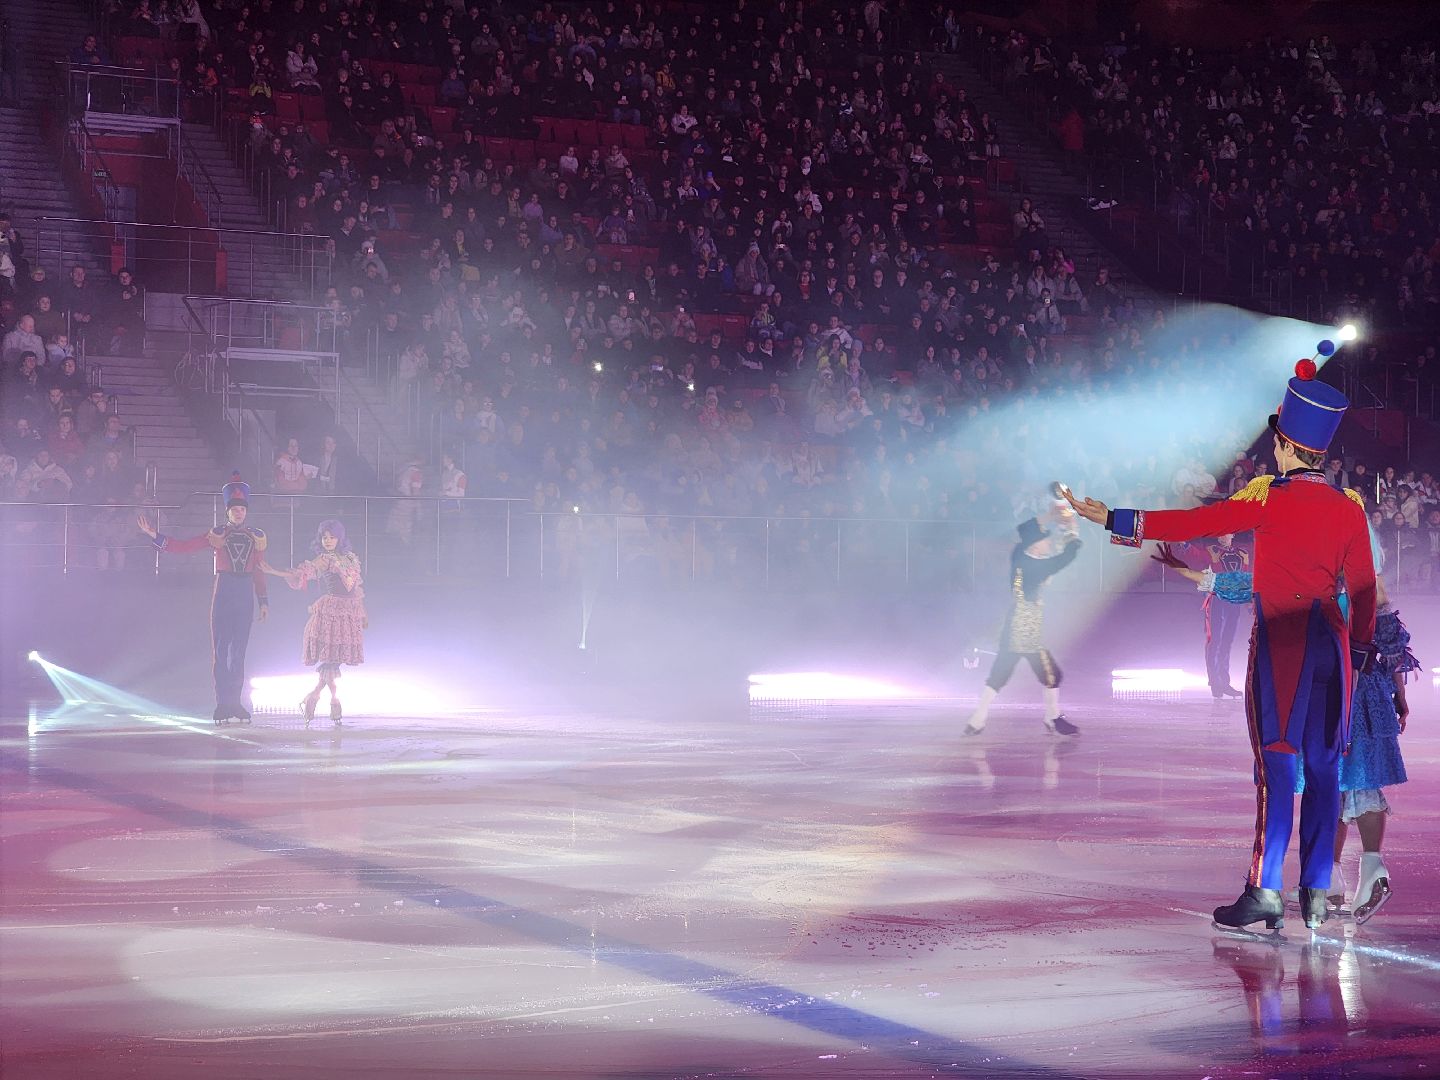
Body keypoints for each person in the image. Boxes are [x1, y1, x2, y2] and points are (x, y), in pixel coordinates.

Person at [1065, 359, 1376, 933]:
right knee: (1326, 769)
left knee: (1278, 768)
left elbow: (1193, 524)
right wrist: (1355, 653)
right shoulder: (1348, 510)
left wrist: (1114, 515)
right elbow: (1363, 591)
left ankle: (1264, 889)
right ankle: (1314, 892)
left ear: (1285, 445)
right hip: (1333, 649)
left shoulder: (1269, 500)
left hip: (1283, 644)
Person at [1155, 536, 1414, 925]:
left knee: (1353, 784)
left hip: (1343, 692)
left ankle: (1371, 869)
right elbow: (1393, 646)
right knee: (1340, 786)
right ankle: (1330, 878)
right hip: (1358, 691)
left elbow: (1246, 587)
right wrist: (1398, 695)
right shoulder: (1364, 583)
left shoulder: (1320, 579)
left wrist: (1185, 571)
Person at [138, 473, 270, 723]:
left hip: (244, 594)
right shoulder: (217, 534)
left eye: (242, 509)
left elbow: (259, 570)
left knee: (239, 652)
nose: (239, 512)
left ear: (246, 511)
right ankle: (222, 704)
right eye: (235, 509)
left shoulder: (256, 537)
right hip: (225, 590)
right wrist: (155, 536)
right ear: (228, 512)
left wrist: (263, 601)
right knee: (221, 651)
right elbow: (185, 546)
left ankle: (236, 703)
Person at [965, 488, 1083, 737]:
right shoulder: (1038, 567)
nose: (1049, 542)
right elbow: (1067, 556)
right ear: (1036, 545)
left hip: (1012, 624)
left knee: (1000, 672)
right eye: (1046, 540)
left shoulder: (1019, 555)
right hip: (1027, 629)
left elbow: (1023, 531)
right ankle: (1053, 718)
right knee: (1052, 673)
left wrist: (1051, 515)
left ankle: (977, 719)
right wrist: (1071, 530)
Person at [261, 520, 366, 726]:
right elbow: (303, 574)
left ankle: (313, 696)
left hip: (349, 612)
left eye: (332, 537)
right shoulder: (324, 559)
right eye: (325, 537)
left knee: (335, 659)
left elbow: (357, 589)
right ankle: (334, 702)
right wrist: (275, 572)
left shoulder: (351, 559)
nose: (328, 541)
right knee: (330, 659)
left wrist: (363, 613)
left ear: (340, 538)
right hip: (331, 612)